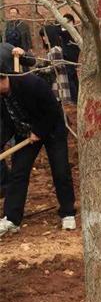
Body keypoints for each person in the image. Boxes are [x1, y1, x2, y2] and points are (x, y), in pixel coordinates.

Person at [0, 46, 76, 237]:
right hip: (25, 132)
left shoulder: (31, 83)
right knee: (18, 172)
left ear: (2, 78)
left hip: (51, 128)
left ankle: (67, 212)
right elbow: (6, 124)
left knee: (60, 170)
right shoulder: (1, 97)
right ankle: (11, 218)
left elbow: (53, 110)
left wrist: (39, 131)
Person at [60, 13, 80, 104]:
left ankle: (74, 98)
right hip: (71, 55)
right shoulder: (72, 30)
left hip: (70, 56)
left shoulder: (71, 30)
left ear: (70, 21)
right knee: (73, 76)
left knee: (70, 76)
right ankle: (77, 96)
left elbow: (61, 32)